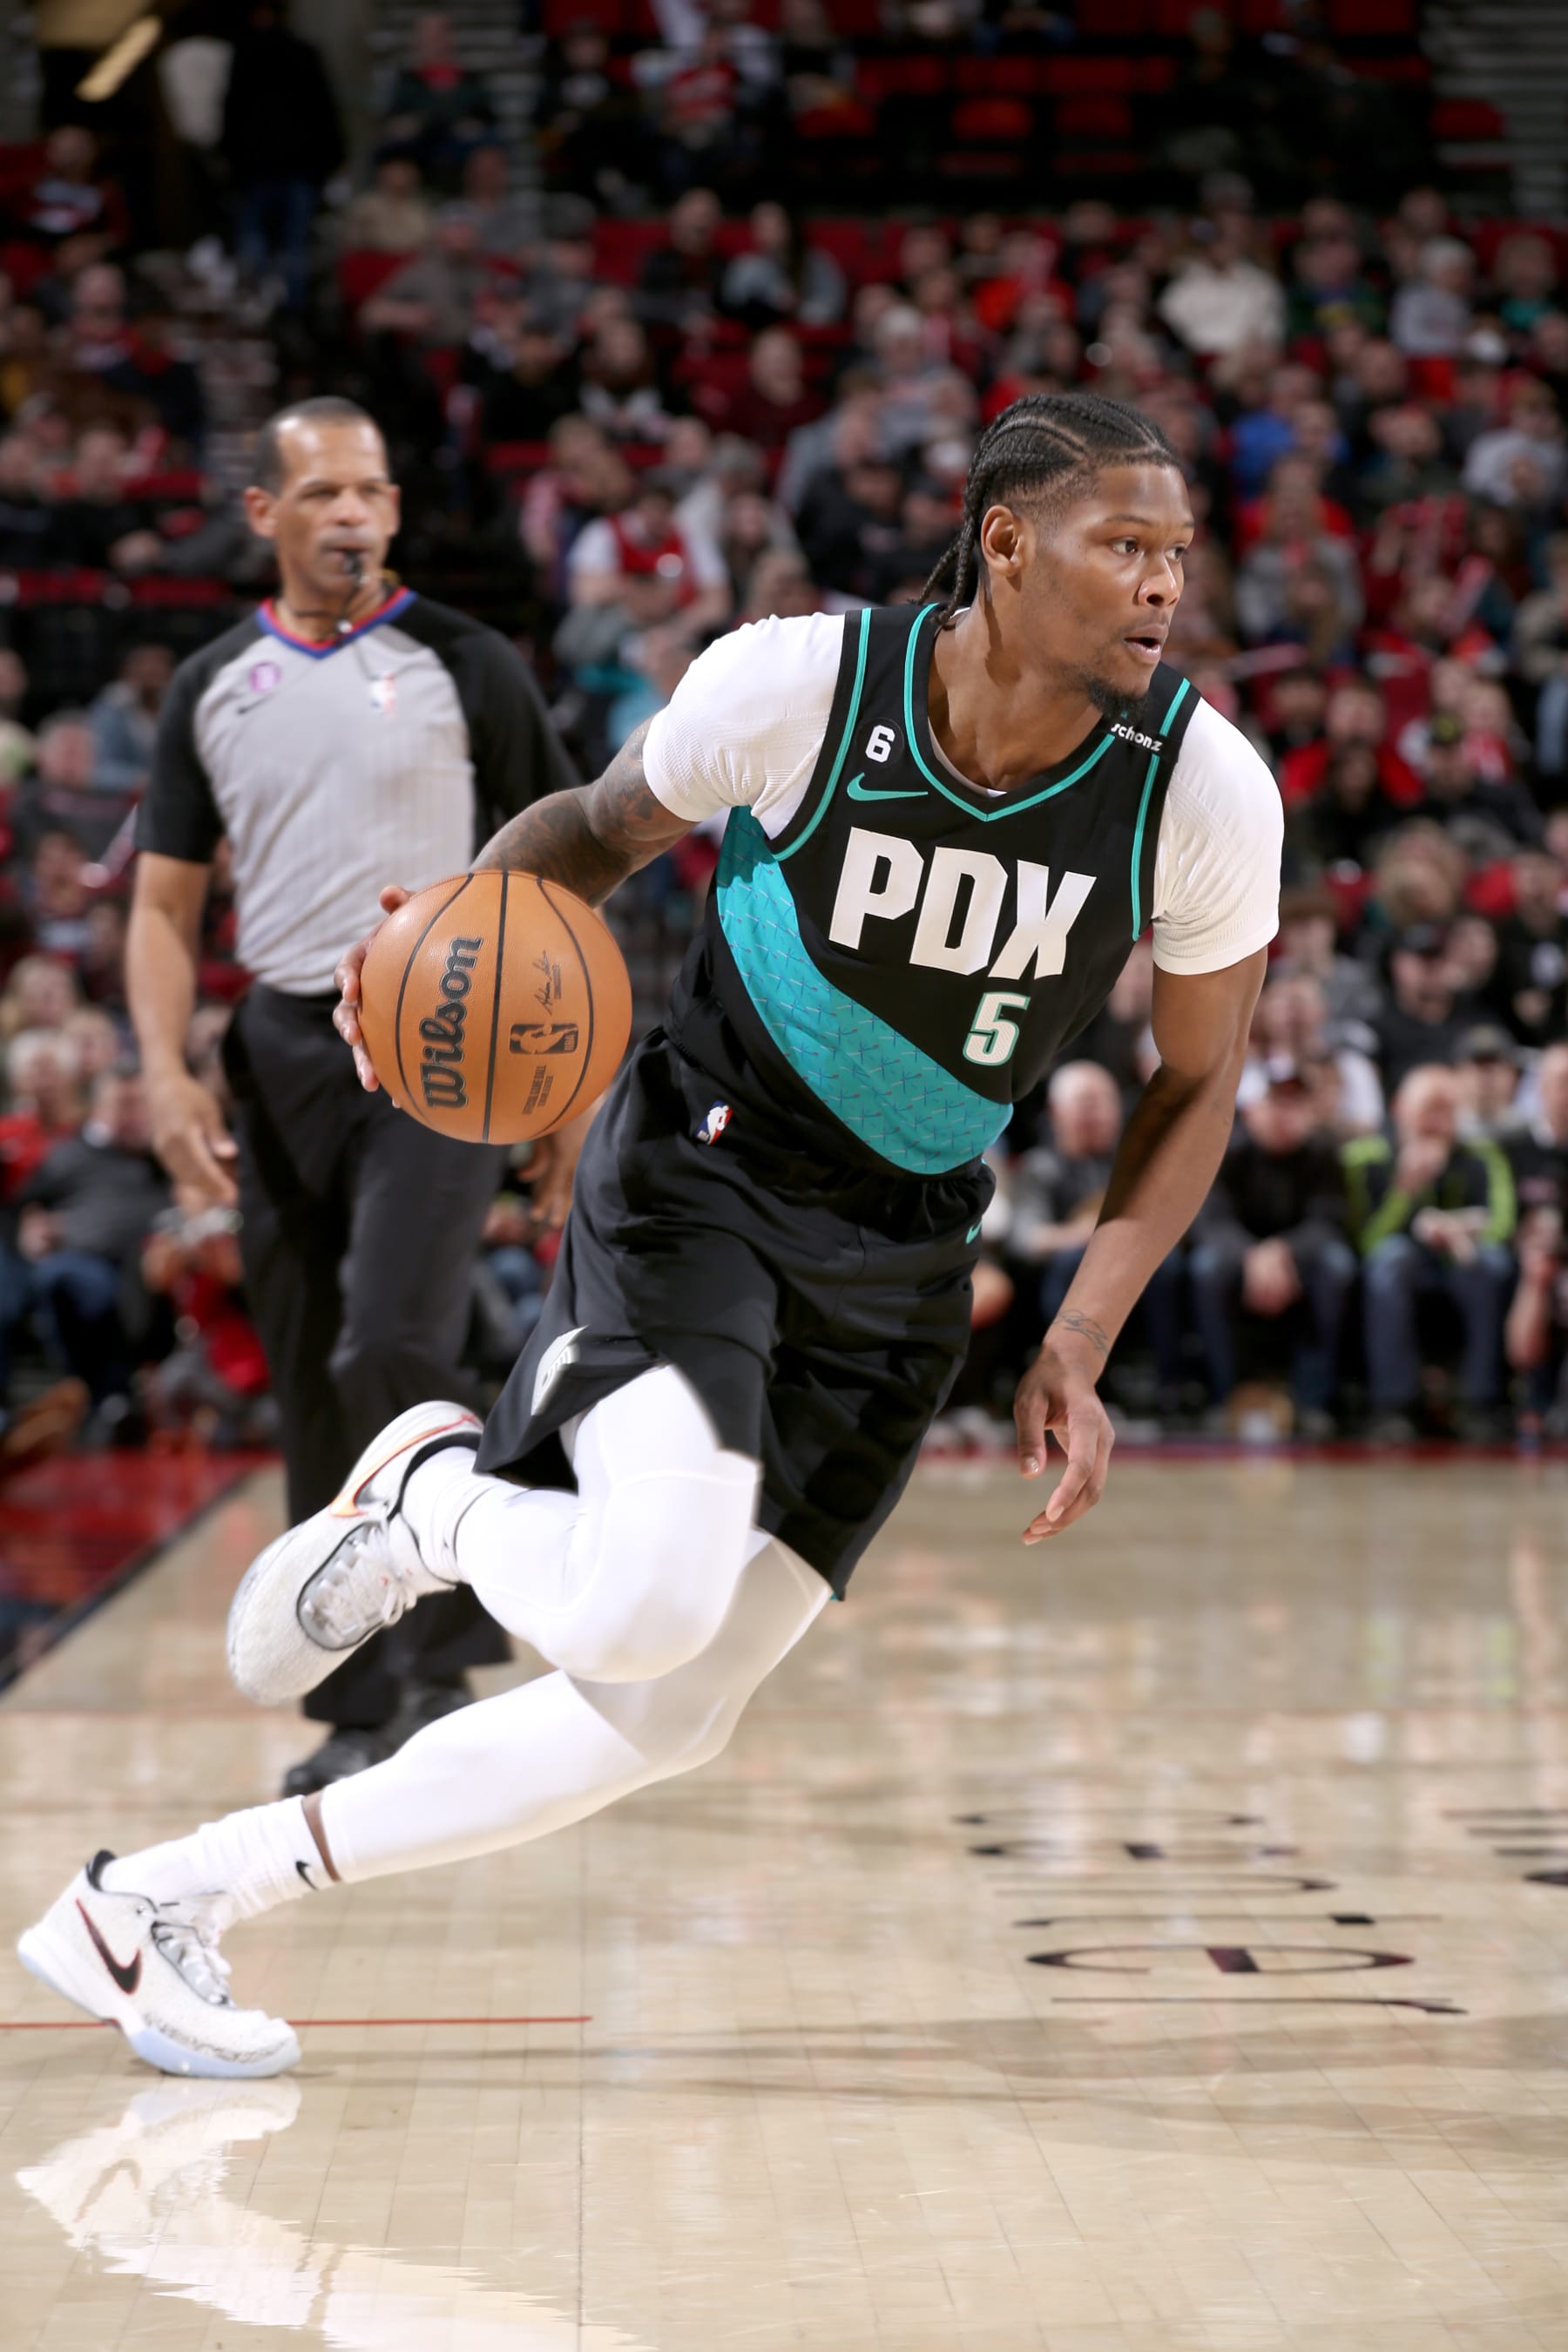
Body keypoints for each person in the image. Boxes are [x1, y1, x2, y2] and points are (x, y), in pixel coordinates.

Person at [19, 391, 1283, 2079]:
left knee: (667, 1715)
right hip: (703, 1175)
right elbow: (583, 837)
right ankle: (433, 1495)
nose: (1164, 584)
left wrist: (1081, 1334)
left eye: (1176, 552)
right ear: (1003, 544)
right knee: (639, 1608)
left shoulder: (1199, 788)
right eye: (1123, 545)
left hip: (907, 1258)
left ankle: (165, 1902)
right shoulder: (801, 686)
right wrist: (436, 954)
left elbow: (1195, 1084)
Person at [122, 396, 578, 1800]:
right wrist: (160, 1068)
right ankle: (370, 1679)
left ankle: (427, 1668)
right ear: (264, 513)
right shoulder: (213, 684)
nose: (352, 515)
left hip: (439, 1037)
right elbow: (162, 906)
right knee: (311, 1356)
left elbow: (573, 870)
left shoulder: (467, 660)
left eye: (371, 491)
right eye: (322, 492)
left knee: (388, 1338)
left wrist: (568, 1096)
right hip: (277, 1046)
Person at [1346, 1063, 1517, 1442]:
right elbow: (1364, 1242)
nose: (1438, 1122)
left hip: (1462, 1262)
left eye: (1448, 1111)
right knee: (1390, 1259)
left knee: (1490, 1263)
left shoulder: (1483, 1154)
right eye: (1429, 1109)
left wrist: (1461, 1231)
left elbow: (1502, 1224)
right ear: (1399, 1108)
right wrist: (1404, 1190)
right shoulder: (1364, 1157)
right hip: (1404, 1268)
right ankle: (1393, 1405)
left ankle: (1480, 1402)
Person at [1187, 1058, 1355, 1435]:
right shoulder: (1223, 1150)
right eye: (1275, 1101)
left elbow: (1329, 1222)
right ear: (1250, 1109)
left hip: (1299, 1259)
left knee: (1336, 1266)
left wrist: (1280, 1252)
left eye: (1295, 1103)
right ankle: (1224, 1397)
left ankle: (1313, 1402)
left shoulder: (1324, 1153)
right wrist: (1252, 1255)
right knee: (1207, 1267)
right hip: (1239, 1258)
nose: (1285, 1113)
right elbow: (1210, 1222)